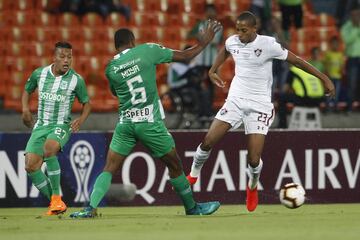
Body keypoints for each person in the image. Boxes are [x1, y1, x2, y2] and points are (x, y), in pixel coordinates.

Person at [70, 20, 223, 218]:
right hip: (149, 122)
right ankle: (192, 208)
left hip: (125, 124)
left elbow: (115, 92)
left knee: (109, 168)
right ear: (133, 41)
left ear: (116, 46)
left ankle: (89, 208)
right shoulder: (148, 50)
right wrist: (203, 43)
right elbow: (185, 57)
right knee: (174, 165)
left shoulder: (111, 68)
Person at [186, 11, 335, 212]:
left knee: (254, 159)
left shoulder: (268, 44)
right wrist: (213, 70)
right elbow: (226, 50)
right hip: (236, 101)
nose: (240, 34)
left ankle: (252, 186)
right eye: (238, 29)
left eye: (244, 30)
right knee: (208, 141)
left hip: (260, 105)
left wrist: (324, 78)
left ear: (254, 29)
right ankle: (193, 175)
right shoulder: (233, 41)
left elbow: (297, 61)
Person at [22, 41, 91, 215]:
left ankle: (55, 198)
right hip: (41, 125)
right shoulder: (40, 74)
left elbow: (87, 104)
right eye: (62, 56)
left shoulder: (76, 80)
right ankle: (57, 203)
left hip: (61, 125)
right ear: (54, 57)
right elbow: (27, 90)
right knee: (31, 166)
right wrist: (25, 108)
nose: (66, 60)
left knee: (49, 148)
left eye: (69, 57)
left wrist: (81, 120)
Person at [188, 4, 223, 119]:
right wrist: (203, 38)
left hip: (212, 62)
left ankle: (209, 111)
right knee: (199, 86)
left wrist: (203, 37)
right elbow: (192, 35)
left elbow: (213, 41)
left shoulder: (218, 26)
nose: (210, 13)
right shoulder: (200, 24)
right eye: (208, 10)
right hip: (200, 61)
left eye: (212, 11)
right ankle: (201, 111)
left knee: (211, 87)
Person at [340, 7, 360, 111]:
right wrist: (356, 28)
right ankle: (349, 107)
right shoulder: (346, 27)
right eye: (354, 15)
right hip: (352, 59)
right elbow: (346, 40)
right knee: (351, 84)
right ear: (350, 15)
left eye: (358, 14)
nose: (356, 17)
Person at [323, 36, 346, 110]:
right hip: (330, 77)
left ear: (338, 45)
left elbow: (342, 65)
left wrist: (342, 70)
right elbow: (326, 65)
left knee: (337, 92)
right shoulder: (328, 54)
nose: (335, 46)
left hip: (338, 77)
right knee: (329, 92)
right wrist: (327, 73)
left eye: (336, 44)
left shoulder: (340, 54)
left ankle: (336, 107)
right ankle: (327, 107)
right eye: (333, 44)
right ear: (331, 45)